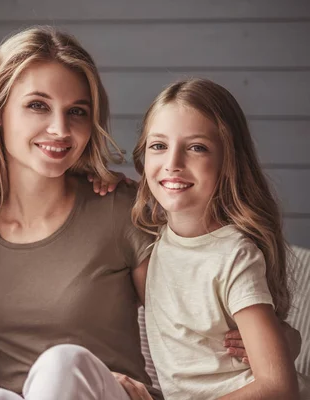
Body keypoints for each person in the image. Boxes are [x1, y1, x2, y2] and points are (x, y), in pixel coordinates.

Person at [0, 26, 160, 400]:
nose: (60, 129)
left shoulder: (118, 208)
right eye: (38, 105)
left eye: (76, 112)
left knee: (62, 365)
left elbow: (188, 329)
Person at [130, 78, 303, 399]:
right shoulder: (150, 241)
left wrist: (287, 340)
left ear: (228, 161)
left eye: (196, 147)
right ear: (143, 159)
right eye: (159, 146)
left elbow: (278, 386)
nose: (172, 164)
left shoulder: (234, 254)